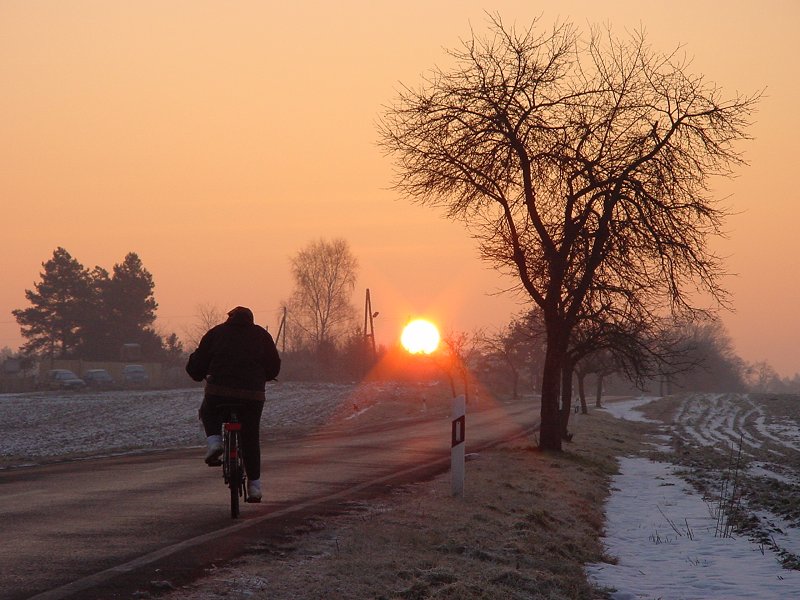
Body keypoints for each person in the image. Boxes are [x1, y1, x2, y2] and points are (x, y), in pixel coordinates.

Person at [185, 306, 281, 502]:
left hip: (219, 391)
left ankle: (214, 442)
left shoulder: (216, 333)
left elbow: (198, 363)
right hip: (252, 395)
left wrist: (198, 373)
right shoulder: (261, 335)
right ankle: (254, 486)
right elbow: (274, 365)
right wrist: (265, 376)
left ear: (230, 318)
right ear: (250, 320)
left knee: (208, 409)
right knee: (251, 435)